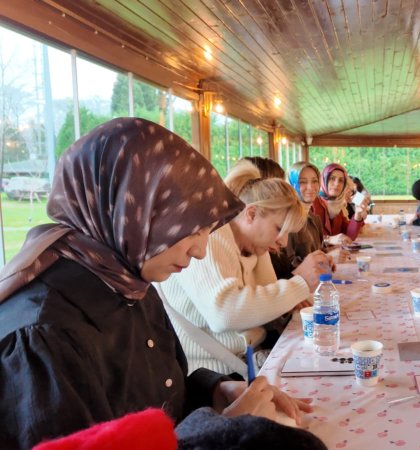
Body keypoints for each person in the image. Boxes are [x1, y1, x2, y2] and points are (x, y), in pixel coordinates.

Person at [0, 118, 324, 450]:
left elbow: (160, 393)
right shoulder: (44, 335)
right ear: (135, 213)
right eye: (189, 230)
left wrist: (218, 389)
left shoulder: (132, 284)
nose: (200, 251)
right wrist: (225, 428)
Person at [158, 158, 333, 374]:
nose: (284, 241)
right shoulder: (213, 234)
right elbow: (224, 313)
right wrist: (300, 284)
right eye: (279, 228)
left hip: (251, 363)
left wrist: (289, 300)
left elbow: (269, 303)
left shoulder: (253, 244)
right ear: (250, 214)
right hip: (211, 377)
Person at [271, 161, 325, 280]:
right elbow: (286, 268)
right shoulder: (286, 219)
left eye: (315, 181)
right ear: (291, 184)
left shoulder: (314, 218)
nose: (311, 187)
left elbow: (318, 251)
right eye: (302, 182)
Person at [310, 163, 366, 244]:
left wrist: (357, 214)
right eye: (332, 178)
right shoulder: (312, 203)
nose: (336, 184)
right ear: (323, 179)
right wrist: (329, 240)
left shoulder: (338, 207)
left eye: (341, 180)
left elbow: (349, 236)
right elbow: (306, 239)